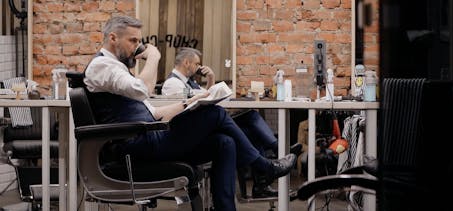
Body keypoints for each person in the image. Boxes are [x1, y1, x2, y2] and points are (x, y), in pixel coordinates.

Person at [83, 15, 296, 211]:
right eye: (132, 41)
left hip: (148, 139)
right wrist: (153, 57)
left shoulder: (115, 68)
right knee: (216, 115)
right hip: (137, 147)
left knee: (224, 143)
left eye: (138, 42)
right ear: (113, 38)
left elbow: (154, 113)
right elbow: (143, 90)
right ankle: (263, 167)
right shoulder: (102, 66)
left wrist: (190, 102)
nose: (137, 47)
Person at [161, 47, 302, 198]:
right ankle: (275, 154)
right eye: (196, 64)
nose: (198, 68)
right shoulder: (173, 83)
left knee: (250, 130)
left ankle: (262, 183)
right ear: (186, 62)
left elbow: (203, 96)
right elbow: (192, 106)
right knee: (250, 117)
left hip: (203, 126)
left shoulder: (188, 82)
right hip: (192, 133)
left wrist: (210, 80)